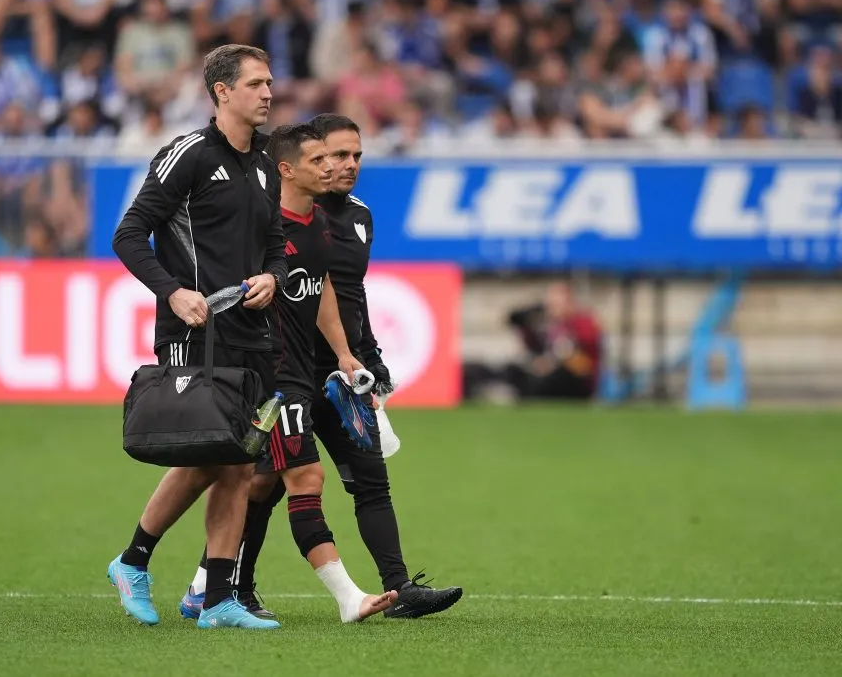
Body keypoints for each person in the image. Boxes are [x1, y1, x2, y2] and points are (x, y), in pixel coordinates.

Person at [180, 114, 463, 621]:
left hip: (336, 374)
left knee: (370, 479)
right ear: (301, 163)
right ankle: (220, 585)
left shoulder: (358, 216)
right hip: (285, 372)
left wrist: (366, 352)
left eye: (354, 155)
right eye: (333, 155)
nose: (343, 165)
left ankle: (398, 587)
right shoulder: (272, 215)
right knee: (264, 484)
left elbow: (349, 294)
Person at [107, 43, 287, 631]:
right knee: (211, 451)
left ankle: (217, 599)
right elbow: (130, 234)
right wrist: (172, 292)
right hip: (197, 331)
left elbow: (274, 242)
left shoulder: (265, 159)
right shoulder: (186, 154)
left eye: (269, 83)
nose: (267, 93)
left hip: (252, 332)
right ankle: (133, 560)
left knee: (239, 462)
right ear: (221, 91)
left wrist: (272, 276)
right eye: (256, 84)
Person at [496, 281, 603, 401]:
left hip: (576, 377)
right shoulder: (548, 325)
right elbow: (533, 350)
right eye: (551, 303)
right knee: (515, 372)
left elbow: (584, 363)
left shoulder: (583, 323)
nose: (553, 307)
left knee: (555, 376)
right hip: (548, 371)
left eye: (558, 303)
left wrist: (552, 363)